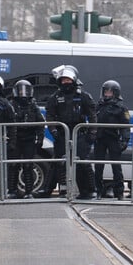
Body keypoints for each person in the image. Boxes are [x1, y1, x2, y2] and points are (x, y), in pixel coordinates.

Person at [45, 65, 97, 200]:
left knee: (82, 163)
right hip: (62, 134)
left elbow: (92, 115)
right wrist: (54, 130)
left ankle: (89, 191)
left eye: (68, 80)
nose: (66, 83)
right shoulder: (55, 97)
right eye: (63, 80)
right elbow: (49, 115)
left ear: (73, 80)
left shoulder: (84, 96)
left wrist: (92, 133)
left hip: (79, 135)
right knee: (58, 162)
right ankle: (52, 190)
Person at [92, 80, 131, 200]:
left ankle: (119, 192)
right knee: (98, 167)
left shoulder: (121, 107)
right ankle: (98, 191)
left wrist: (125, 140)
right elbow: (92, 120)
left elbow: (125, 126)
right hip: (100, 139)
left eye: (110, 92)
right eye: (105, 92)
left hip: (113, 139)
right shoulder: (98, 105)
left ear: (115, 93)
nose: (107, 94)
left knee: (116, 167)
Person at [7, 79, 45, 199]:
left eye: (26, 91)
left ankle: (29, 191)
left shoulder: (33, 105)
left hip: (29, 138)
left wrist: (40, 139)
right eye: (21, 91)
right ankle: (12, 190)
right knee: (13, 165)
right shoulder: (11, 105)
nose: (23, 94)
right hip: (16, 138)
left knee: (28, 165)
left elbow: (41, 123)